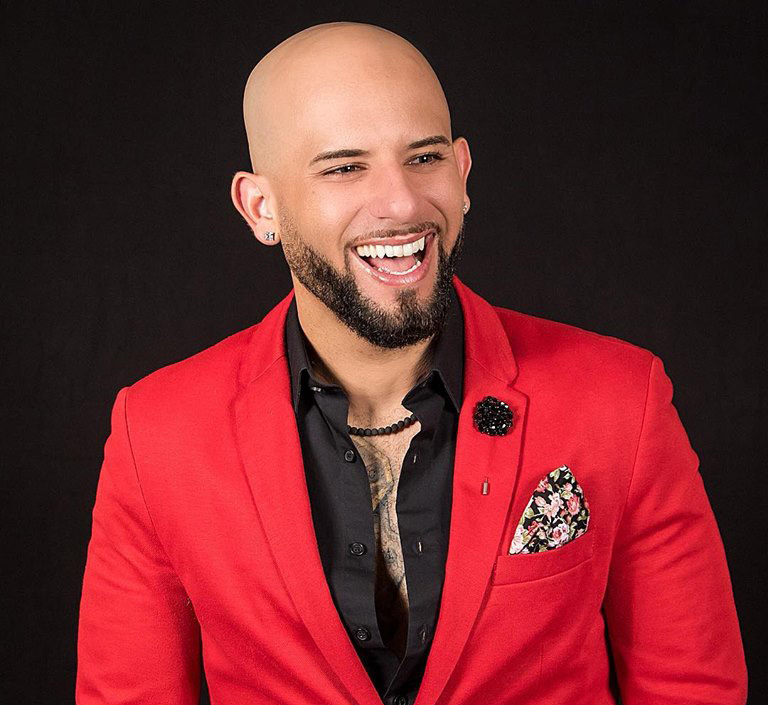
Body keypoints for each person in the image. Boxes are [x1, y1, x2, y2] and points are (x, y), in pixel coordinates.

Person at [76, 21, 747, 705]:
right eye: (344, 167)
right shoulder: (154, 434)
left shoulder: (623, 400)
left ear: (462, 173)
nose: (401, 202)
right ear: (261, 207)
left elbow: (693, 688)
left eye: (424, 158)